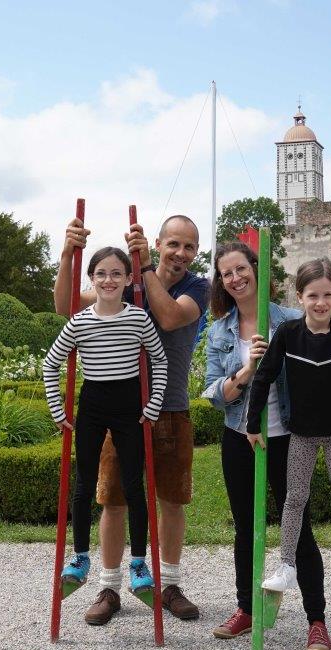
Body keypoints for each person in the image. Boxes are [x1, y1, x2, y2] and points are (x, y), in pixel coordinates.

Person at [203, 243, 331, 650]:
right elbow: (212, 393)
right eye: (226, 273)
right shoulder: (220, 329)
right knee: (245, 526)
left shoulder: (291, 317)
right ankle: (246, 609)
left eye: (241, 268)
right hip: (242, 435)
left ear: (257, 270)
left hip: (291, 435)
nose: (235, 278)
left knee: (300, 522)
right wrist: (245, 371)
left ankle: (316, 619)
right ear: (220, 281)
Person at [54, 214, 209, 626]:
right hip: (121, 412)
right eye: (173, 244)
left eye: (189, 247)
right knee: (114, 498)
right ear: (158, 242)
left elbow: (171, 316)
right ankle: (109, 586)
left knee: (171, 500)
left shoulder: (197, 287)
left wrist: (143, 269)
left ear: (196, 253)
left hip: (170, 407)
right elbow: (65, 306)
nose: (180, 253)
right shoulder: (123, 285)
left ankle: (169, 583)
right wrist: (68, 253)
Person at [249, 258, 331, 624]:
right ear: (300, 297)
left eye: (327, 295)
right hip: (302, 435)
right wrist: (252, 423)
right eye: (312, 295)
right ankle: (286, 564)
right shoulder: (288, 334)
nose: (320, 302)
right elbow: (264, 377)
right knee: (294, 499)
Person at [43, 246, 169, 595]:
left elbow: (159, 361)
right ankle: (81, 556)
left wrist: (154, 403)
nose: (109, 280)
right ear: (91, 279)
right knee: (84, 485)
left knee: (133, 486)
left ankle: (139, 563)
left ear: (129, 279)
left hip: (129, 406)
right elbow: (50, 364)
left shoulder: (138, 318)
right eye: (101, 273)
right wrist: (58, 410)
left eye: (117, 274)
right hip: (94, 404)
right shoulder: (79, 322)